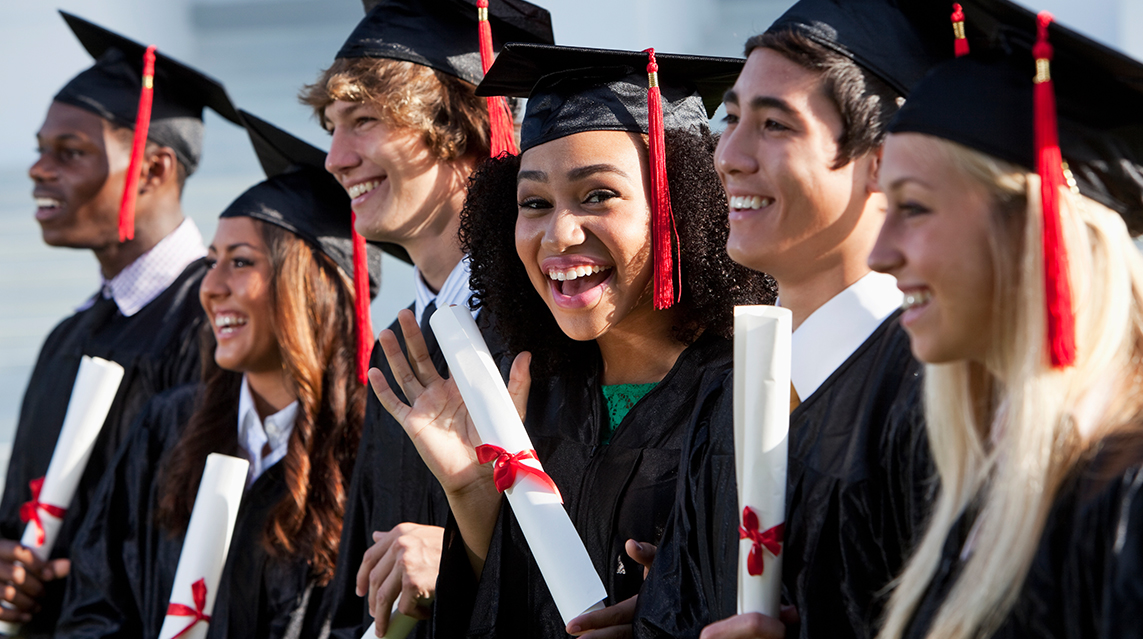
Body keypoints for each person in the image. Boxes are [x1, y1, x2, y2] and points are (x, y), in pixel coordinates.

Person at [370, 42, 777, 638]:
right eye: (534, 203)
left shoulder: (753, 395)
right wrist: (475, 494)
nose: (559, 233)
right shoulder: (527, 402)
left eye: (598, 195)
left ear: (682, 204)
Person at [632, 2, 962, 638]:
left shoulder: (938, 391)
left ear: (883, 161)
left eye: (775, 124)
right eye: (730, 118)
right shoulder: (725, 391)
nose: (727, 155)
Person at [867, 4, 1143, 638]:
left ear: (1036, 229)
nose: (880, 254)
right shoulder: (990, 480)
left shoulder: (1127, 492)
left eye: (913, 208)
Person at [54, 112, 384, 638]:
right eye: (212, 260)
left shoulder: (373, 450)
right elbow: (95, 605)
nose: (210, 287)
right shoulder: (167, 429)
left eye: (241, 262)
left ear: (311, 289)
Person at [298, 1, 554, 636]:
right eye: (332, 127)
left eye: (362, 121)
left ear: (464, 124)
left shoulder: (550, 323)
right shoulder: (395, 355)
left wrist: (468, 561)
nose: (335, 157)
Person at [0, 12, 241, 634]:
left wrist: (83, 574)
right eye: (40, 150)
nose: (38, 170)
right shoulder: (69, 336)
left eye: (69, 153)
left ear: (155, 170)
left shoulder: (216, 325)